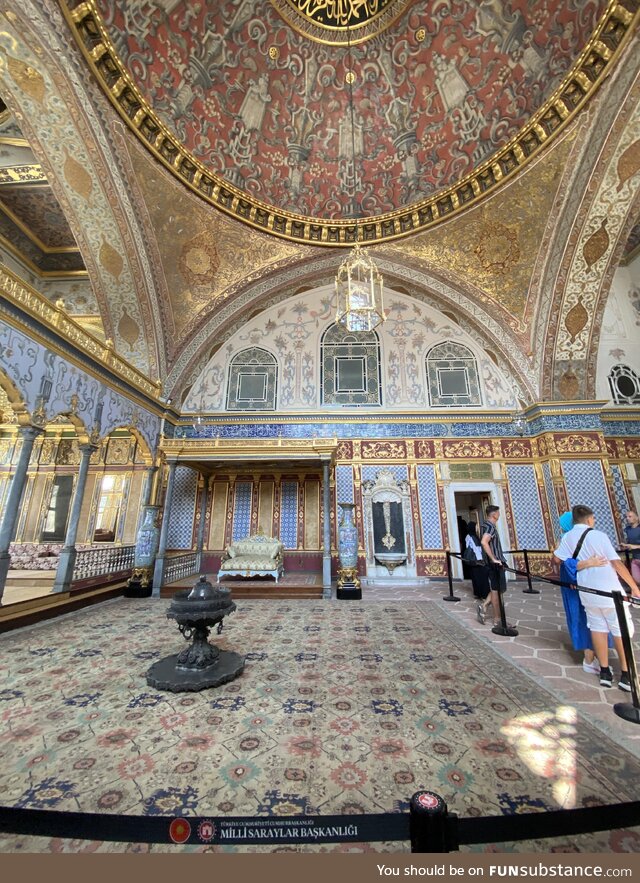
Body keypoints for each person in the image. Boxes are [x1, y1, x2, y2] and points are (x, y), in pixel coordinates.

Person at [554, 504, 640, 691]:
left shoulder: (567, 537)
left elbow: (559, 560)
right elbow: (617, 564)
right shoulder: (599, 536)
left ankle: (604, 672)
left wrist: (584, 563)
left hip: (587, 591)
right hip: (608, 590)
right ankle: (626, 674)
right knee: (620, 629)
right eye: (593, 518)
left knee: (597, 628)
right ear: (589, 519)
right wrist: (634, 587)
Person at [555, 511, 608, 674]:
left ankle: (594, 655)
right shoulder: (584, 537)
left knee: (583, 615)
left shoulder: (565, 539)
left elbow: (557, 560)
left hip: (574, 578)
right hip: (584, 578)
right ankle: (590, 657)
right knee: (588, 615)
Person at [480, 505, 509, 627]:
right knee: (496, 591)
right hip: (495, 563)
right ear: (494, 515)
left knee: (497, 589)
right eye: (498, 512)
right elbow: (484, 542)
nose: (499, 514)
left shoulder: (484, 525)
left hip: (493, 562)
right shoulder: (490, 527)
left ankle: (484, 605)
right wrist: (493, 559)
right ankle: (497, 619)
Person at [465, 521, 490, 615]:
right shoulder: (470, 536)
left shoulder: (473, 536)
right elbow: (475, 548)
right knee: (479, 576)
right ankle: (482, 593)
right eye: (475, 526)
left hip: (476, 559)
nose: (477, 528)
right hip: (476, 559)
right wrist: (480, 559)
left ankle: (479, 593)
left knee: (477, 576)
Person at [620, 510, 640, 583]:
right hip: (635, 559)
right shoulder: (627, 529)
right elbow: (630, 542)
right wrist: (625, 546)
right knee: (637, 581)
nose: (627, 518)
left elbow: (633, 545)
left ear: (637, 518)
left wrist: (635, 546)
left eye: (630, 516)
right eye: (626, 517)